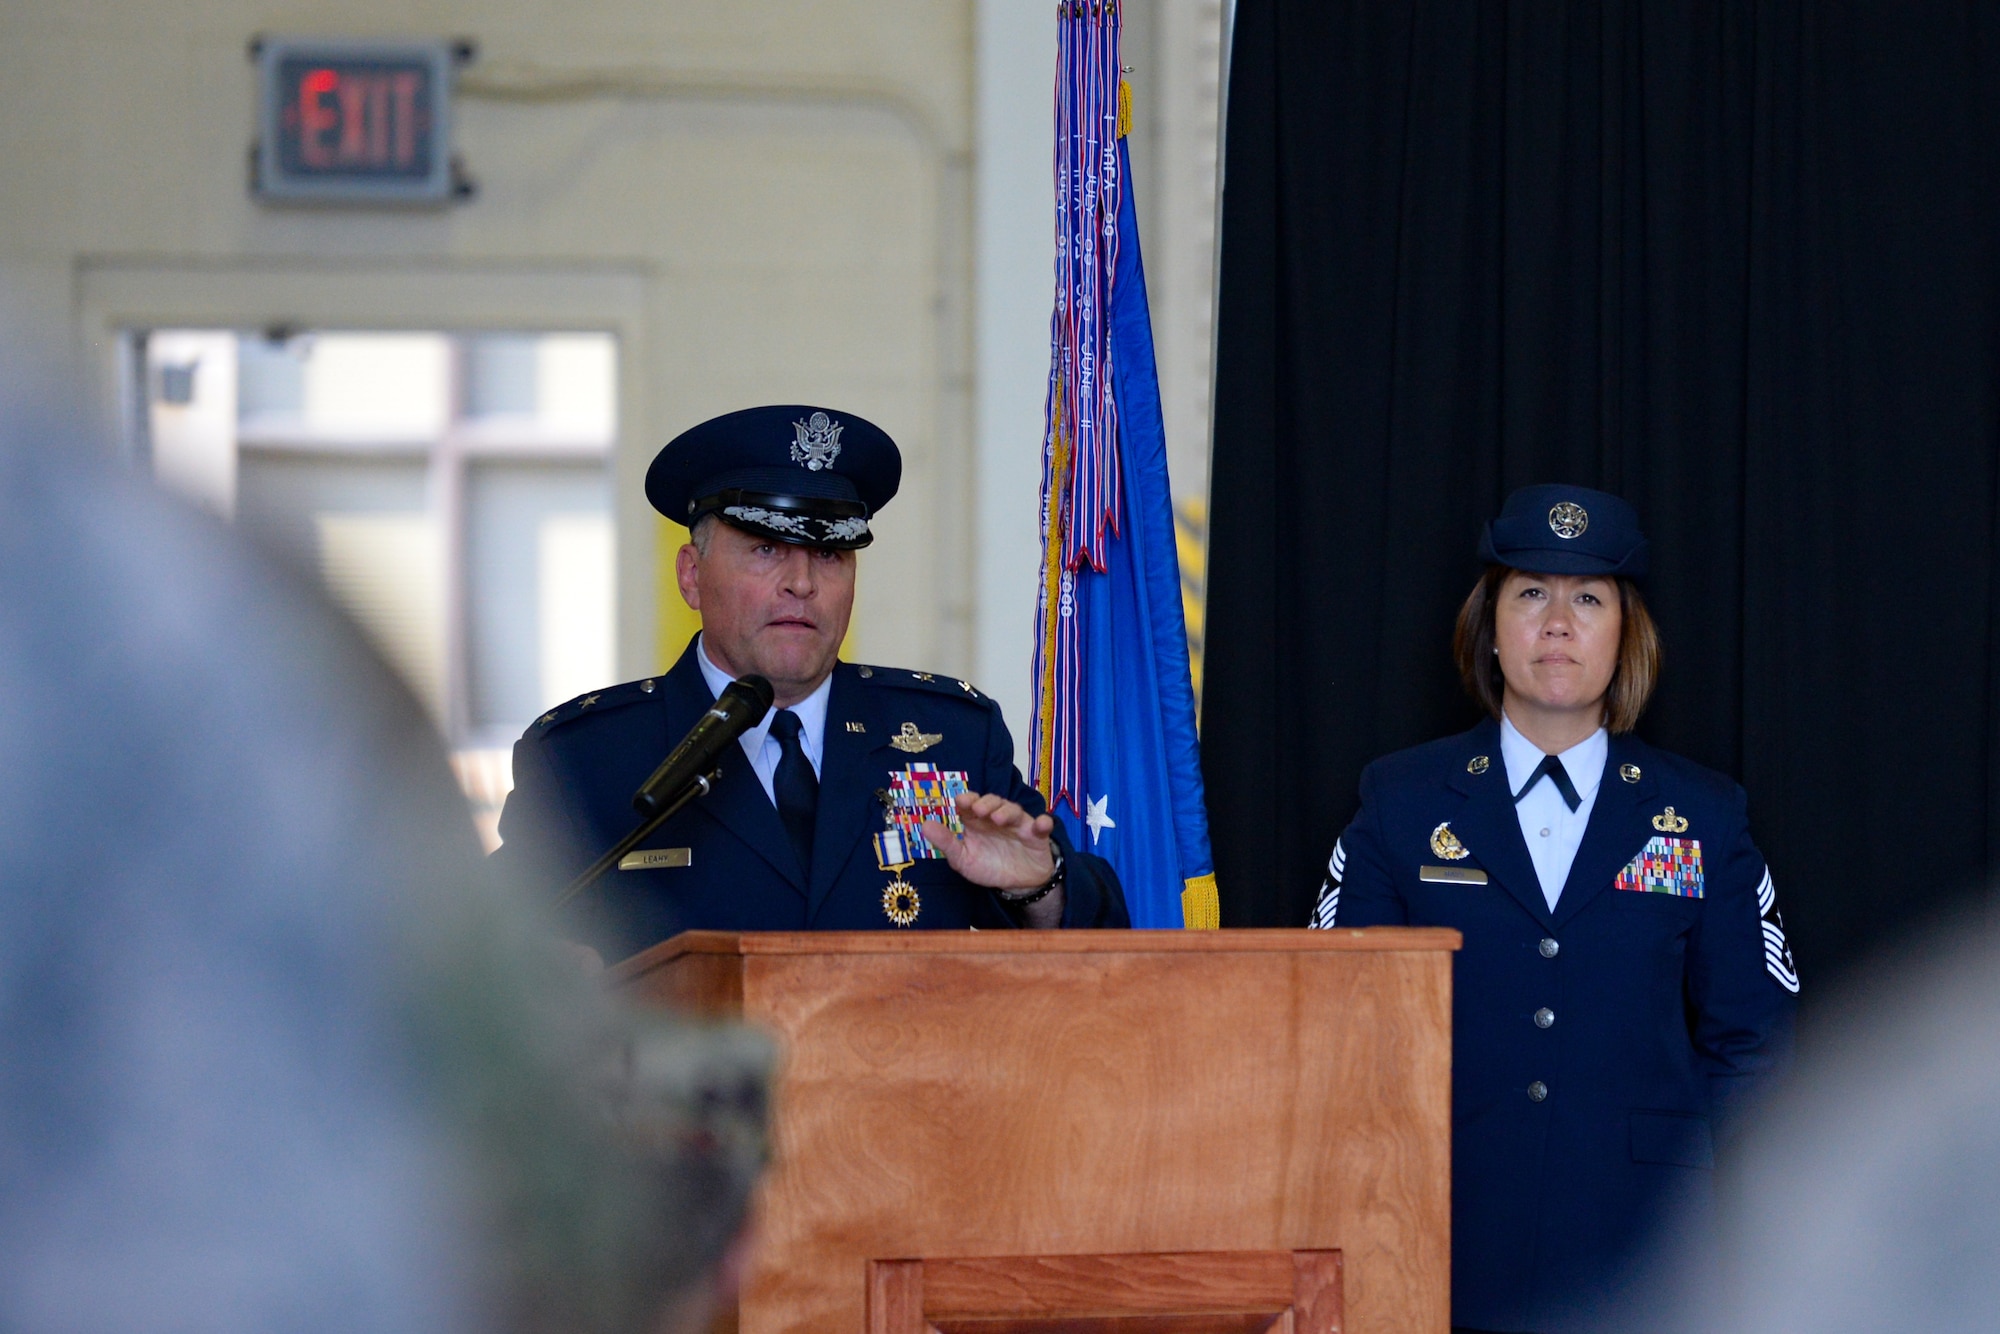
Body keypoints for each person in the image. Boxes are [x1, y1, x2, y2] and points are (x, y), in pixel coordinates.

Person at [1307, 484, 1799, 1333]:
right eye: (1531, 592)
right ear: (1490, 629)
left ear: (1626, 633)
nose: (1558, 622)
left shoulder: (1703, 816)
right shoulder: (1403, 801)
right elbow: (1335, 1021)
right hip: (1442, 1237)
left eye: (1589, 598)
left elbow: (1756, 1046)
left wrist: (1714, 1228)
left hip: (1642, 1253)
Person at [495, 405, 1128, 958]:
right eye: (766, 549)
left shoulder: (951, 738)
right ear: (691, 575)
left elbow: (1102, 948)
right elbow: (468, 966)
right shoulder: (584, 760)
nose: (802, 582)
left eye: (829, 554)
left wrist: (1035, 888)